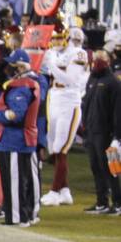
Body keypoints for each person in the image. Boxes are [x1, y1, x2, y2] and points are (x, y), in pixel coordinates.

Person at [0, 59, 42, 226]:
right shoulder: (27, 85)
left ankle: (18, 216)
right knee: (22, 179)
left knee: (14, 180)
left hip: (14, 140)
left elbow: (16, 115)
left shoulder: (21, 88)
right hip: (22, 138)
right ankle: (27, 213)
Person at [41, 25, 90, 207]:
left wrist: (51, 64)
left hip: (70, 100)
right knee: (54, 146)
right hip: (54, 97)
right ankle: (64, 190)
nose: (57, 42)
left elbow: (70, 79)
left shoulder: (79, 54)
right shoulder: (56, 51)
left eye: (78, 39)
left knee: (61, 147)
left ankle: (54, 191)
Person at [81, 49, 121, 213]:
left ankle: (118, 203)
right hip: (92, 131)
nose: (97, 61)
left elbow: (118, 111)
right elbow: (86, 104)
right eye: (96, 58)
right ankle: (101, 202)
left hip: (107, 133)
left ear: (108, 61)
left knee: (111, 168)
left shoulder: (113, 82)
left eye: (101, 58)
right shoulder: (91, 79)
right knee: (96, 167)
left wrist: (117, 136)